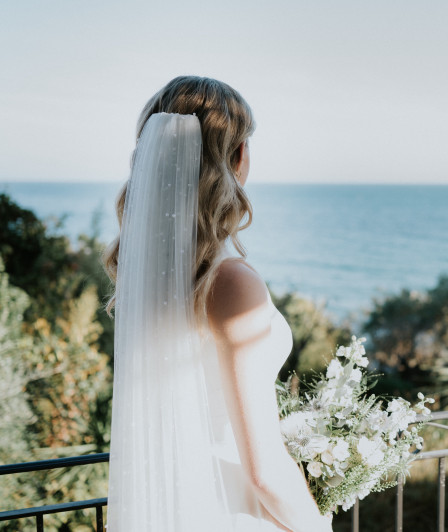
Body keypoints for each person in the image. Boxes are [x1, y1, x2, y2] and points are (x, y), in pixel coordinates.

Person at [102, 76, 332, 531]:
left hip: (177, 501)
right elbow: (264, 473)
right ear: (238, 158)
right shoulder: (227, 282)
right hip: (233, 511)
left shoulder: (151, 273)